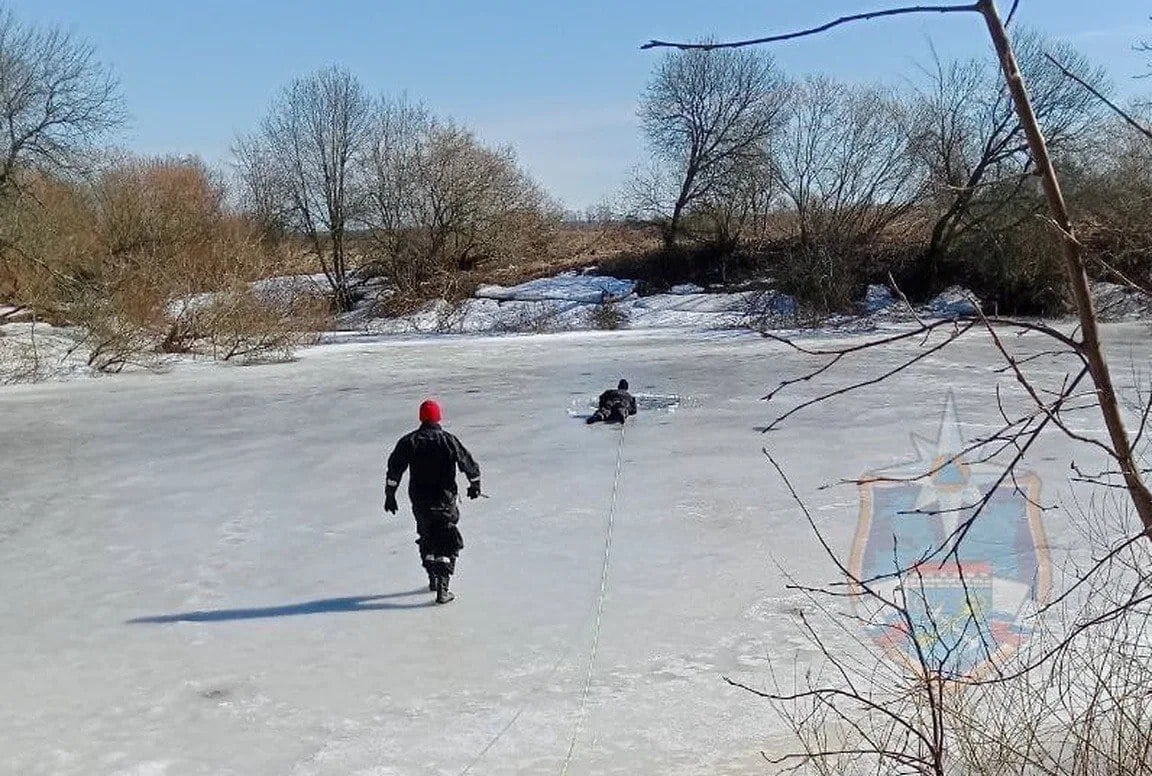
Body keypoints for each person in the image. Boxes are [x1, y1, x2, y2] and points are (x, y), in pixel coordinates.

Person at [384, 399, 482, 604]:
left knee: (427, 536)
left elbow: (394, 469)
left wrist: (390, 495)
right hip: (444, 501)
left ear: (421, 417)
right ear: (439, 417)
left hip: (420, 502)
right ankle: (443, 590)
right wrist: (475, 485)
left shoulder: (409, 441)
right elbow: (468, 463)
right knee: (447, 541)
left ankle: (432, 579)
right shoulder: (449, 441)